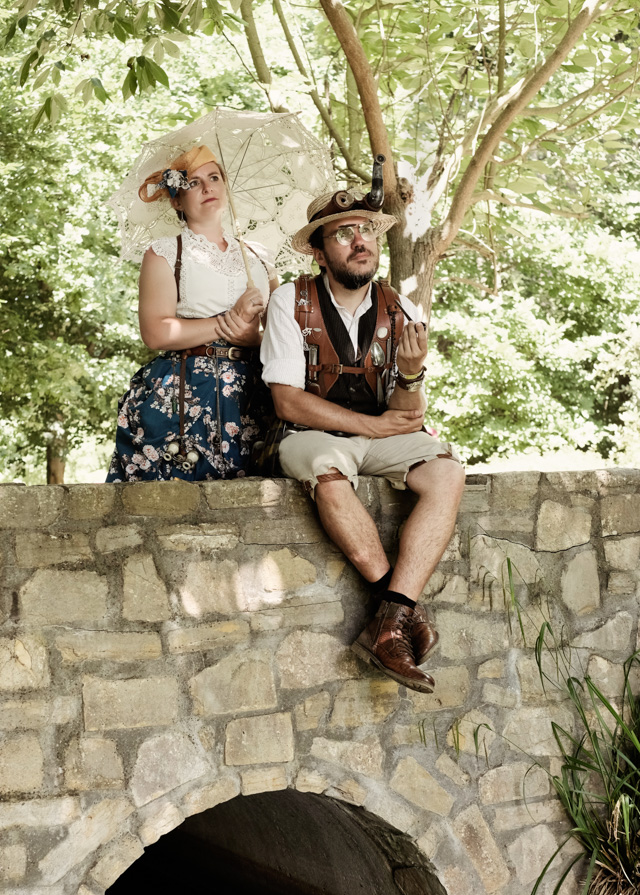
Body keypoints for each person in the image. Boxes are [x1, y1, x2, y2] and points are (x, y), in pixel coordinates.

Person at [260, 190, 465, 694]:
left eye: (368, 231)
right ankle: (398, 615)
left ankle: (388, 622)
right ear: (318, 249)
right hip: (310, 437)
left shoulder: (401, 307)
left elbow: (409, 416)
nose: (360, 242)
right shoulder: (291, 300)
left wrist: (412, 376)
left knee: (447, 471)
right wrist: (370, 426)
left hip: (379, 439)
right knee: (328, 474)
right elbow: (287, 402)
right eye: (344, 233)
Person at [107, 145, 278, 482]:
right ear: (176, 200)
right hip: (186, 391)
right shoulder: (165, 253)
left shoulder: (259, 256)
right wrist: (226, 323)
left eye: (214, 177)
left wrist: (254, 338)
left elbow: (281, 331)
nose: (207, 187)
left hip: (254, 391)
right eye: (193, 183)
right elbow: (156, 332)